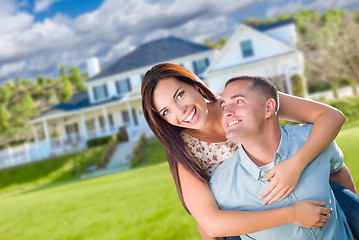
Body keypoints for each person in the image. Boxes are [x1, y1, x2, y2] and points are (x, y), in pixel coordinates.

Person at [141, 63, 356, 239]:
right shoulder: (184, 151)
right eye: (166, 111)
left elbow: (330, 117)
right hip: (251, 218)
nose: (180, 111)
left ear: (194, 85)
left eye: (179, 95)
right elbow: (212, 224)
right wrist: (292, 214)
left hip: (303, 187)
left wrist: (296, 164)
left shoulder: (240, 100)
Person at [210, 74, 355, 239]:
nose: (227, 112)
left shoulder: (313, 138)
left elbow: (337, 170)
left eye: (239, 101)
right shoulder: (221, 185)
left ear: (268, 108)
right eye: (223, 107)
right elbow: (211, 229)